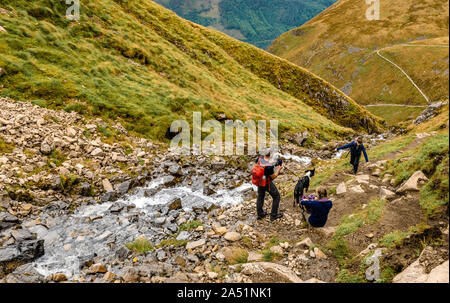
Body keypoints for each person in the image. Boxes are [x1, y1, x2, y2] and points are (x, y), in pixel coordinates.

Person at [254, 149, 284, 221]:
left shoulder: (259, 159)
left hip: (259, 181)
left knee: (260, 196)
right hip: (267, 182)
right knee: (276, 196)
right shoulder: (269, 167)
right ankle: (273, 215)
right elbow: (273, 177)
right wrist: (279, 169)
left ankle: (260, 214)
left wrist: (275, 163)